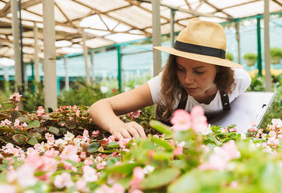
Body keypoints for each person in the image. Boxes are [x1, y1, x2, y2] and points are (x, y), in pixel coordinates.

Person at [88, 19, 251, 139]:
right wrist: (117, 126)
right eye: (180, 69)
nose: (187, 80)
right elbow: (99, 106)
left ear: (219, 69)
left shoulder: (239, 81)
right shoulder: (165, 84)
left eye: (199, 71)